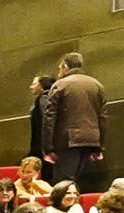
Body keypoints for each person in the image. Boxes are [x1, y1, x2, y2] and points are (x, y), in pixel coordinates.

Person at [44, 53, 107, 190]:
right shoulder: (97, 85)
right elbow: (102, 117)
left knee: (63, 185)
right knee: (79, 182)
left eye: (60, 68)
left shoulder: (60, 85)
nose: (59, 72)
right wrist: (100, 145)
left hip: (67, 141)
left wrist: (48, 147)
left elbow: (49, 118)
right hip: (91, 140)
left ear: (66, 67)